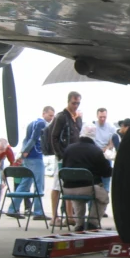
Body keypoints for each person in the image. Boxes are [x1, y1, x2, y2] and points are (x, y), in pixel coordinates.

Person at [5, 106, 54, 221]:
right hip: (35, 156)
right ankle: (38, 211)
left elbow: (26, 139)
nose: (51, 118)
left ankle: (13, 208)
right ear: (44, 113)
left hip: (29, 158)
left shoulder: (32, 123)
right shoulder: (41, 124)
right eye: (50, 115)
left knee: (25, 183)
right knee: (39, 184)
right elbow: (33, 139)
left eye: (52, 116)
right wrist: (25, 152)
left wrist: (23, 153)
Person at [61, 123, 111, 231]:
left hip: (68, 189)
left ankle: (79, 224)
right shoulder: (96, 150)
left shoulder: (69, 149)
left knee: (78, 199)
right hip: (88, 187)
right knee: (103, 198)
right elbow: (106, 172)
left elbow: (64, 168)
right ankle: (92, 222)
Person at [50, 91, 83, 227]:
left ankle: (69, 216)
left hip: (72, 156)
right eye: (73, 103)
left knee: (68, 185)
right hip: (62, 156)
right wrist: (60, 154)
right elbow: (54, 137)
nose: (75, 106)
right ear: (68, 101)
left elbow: (78, 134)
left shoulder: (76, 118)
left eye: (78, 103)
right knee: (57, 186)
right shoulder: (62, 117)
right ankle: (54, 216)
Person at [93, 108, 119, 193]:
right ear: (97, 116)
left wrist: (107, 147)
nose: (102, 119)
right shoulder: (93, 126)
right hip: (95, 154)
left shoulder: (111, 127)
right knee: (92, 183)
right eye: (100, 117)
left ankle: (104, 201)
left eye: (104, 117)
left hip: (106, 155)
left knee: (106, 182)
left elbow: (113, 141)